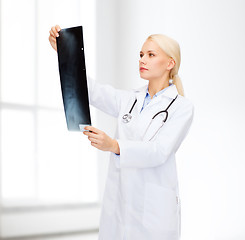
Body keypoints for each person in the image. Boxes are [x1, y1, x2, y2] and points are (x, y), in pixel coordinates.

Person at [49, 25, 194, 240]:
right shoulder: (129, 99)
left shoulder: (181, 107)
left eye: (151, 55)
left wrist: (114, 145)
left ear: (170, 63)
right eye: (141, 54)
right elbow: (93, 91)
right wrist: (66, 52)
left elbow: (159, 151)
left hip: (154, 208)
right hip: (121, 200)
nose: (142, 60)